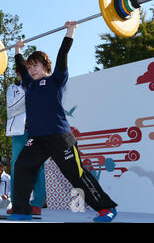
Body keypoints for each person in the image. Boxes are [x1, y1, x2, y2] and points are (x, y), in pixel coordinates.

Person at [10, 21, 118, 222]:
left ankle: (107, 208)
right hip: (37, 139)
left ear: (45, 67)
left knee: (75, 175)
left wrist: (70, 32)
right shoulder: (29, 85)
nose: (32, 70)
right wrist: (17, 49)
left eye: (36, 66)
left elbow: (62, 56)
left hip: (60, 137)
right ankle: (21, 209)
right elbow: (20, 65)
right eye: (30, 66)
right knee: (23, 166)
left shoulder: (55, 80)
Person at [6, 69, 46, 215]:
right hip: (19, 132)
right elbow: (11, 107)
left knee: (38, 167)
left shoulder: (40, 85)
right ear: (17, 73)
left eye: (28, 69)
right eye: (21, 71)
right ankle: (17, 203)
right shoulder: (13, 88)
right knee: (16, 167)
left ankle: (37, 204)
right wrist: (26, 91)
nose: (24, 73)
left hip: (37, 132)